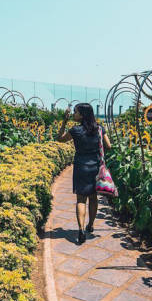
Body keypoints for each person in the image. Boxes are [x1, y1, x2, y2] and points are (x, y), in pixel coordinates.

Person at [57, 103, 112, 244]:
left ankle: (81, 229)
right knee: (93, 198)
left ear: (82, 115)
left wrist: (64, 121)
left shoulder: (75, 130)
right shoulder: (99, 129)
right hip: (95, 167)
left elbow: (60, 138)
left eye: (76, 112)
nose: (74, 114)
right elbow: (109, 146)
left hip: (81, 167)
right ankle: (91, 225)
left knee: (81, 199)